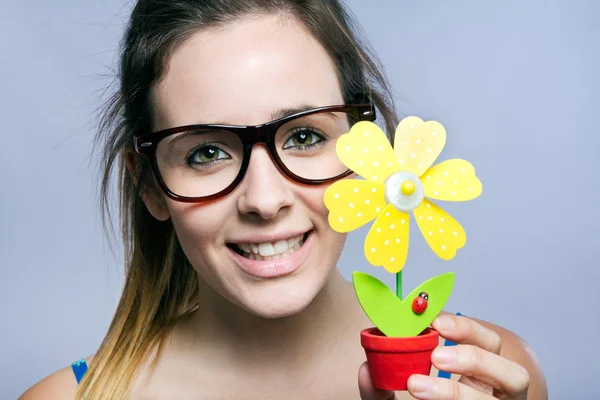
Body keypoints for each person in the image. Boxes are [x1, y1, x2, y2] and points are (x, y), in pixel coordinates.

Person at [20, 1, 547, 399]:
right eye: (206, 152)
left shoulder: (487, 375)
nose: (265, 199)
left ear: (370, 152)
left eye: (304, 137)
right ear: (151, 185)